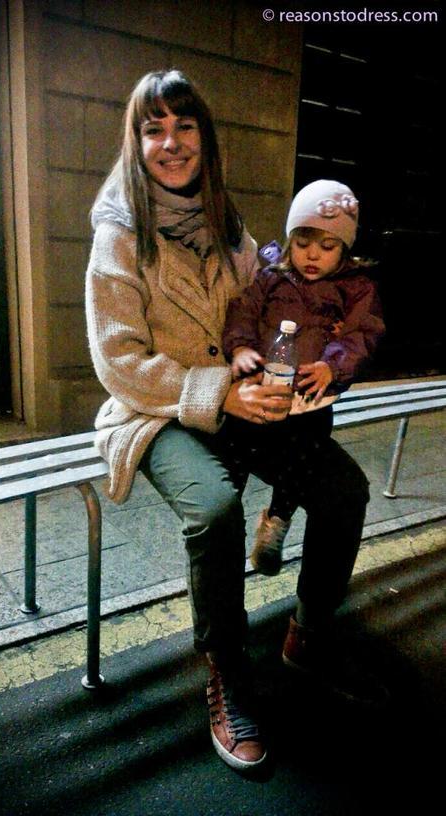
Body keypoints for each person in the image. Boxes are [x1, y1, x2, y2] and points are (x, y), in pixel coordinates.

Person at [86, 69, 294, 773]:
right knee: (213, 509)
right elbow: (118, 362)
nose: (170, 142)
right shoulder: (118, 231)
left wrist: (289, 354)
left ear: (204, 136)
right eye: (153, 129)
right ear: (137, 139)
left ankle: (314, 630)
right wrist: (220, 392)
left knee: (334, 477)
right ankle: (226, 672)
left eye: (184, 125)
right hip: (151, 409)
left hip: (228, 392)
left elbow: (260, 305)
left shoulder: (226, 219)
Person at [222, 179, 385, 670]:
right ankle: (231, 533)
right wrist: (240, 348)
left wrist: (333, 365)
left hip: (311, 400)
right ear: (289, 238)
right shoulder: (272, 276)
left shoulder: (356, 288)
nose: (313, 254)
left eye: (328, 245)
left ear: (346, 248)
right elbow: (243, 311)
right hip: (261, 392)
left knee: (307, 456)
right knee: (233, 459)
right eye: (303, 241)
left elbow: (364, 336)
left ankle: (277, 517)